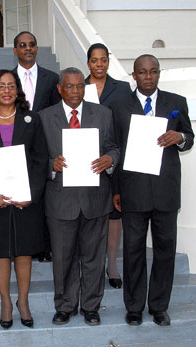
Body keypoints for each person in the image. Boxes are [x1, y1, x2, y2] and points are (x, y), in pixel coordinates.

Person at [110, 54, 194, 326]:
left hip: (166, 192)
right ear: (133, 76)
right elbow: (114, 148)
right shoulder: (119, 105)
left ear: (159, 74)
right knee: (133, 251)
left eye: (153, 72)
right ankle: (134, 307)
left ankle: (159, 306)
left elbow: (189, 138)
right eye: (142, 72)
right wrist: (116, 190)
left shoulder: (176, 103)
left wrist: (179, 137)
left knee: (164, 251)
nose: (148, 77)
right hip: (132, 190)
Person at [39, 67, 119, 326]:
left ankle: (91, 306)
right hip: (60, 199)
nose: (75, 92)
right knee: (63, 257)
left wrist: (110, 159)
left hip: (96, 198)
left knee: (95, 256)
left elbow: (114, 148)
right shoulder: (43, 117)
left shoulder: (104, 114)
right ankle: (65, 305)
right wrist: (51, 164)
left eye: (79, 87)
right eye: (70, 87)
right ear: (60, 88)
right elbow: (36, 157)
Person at [0, 69, 48, 329]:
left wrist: (32, 194)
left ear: (18, 90)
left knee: (24, 253)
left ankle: (22, 302)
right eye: (1, 86)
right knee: (1, 254)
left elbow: (40, 160)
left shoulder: (31, 119)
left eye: (11, 86)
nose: (6, 90)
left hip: (26, 200)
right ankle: (5, 302)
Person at [85, 43, 132, 289]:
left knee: (115, 213)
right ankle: (90, 265)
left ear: (108, 62)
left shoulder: (122, 88)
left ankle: (112, 265)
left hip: (114, 156)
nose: (99, 64)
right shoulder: (77, 86)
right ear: (88, 63)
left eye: (103, 60)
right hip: (85, 160)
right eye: (95, 60)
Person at [13, 31, 61, 262]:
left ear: (37, 48)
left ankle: (43, 247)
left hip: (44, 142)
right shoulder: (7, 79)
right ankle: (20, 244)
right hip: (14, 143)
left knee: (41, 194)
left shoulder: (52, 79)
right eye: (22, 45)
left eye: (32, 44)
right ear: (15, 50)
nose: (28, 48)